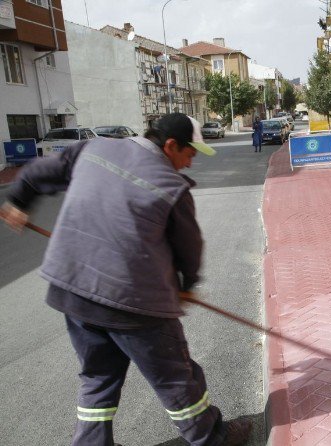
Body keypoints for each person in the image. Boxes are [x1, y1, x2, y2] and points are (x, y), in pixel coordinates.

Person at [1, 113, 252, 446]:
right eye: (189, 154)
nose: (190, 164)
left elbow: (38, 172)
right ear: (172, 145)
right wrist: (186, 285)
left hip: (72, 292)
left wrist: (19, 201)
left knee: (98, 376)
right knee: (177, 378)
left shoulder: (92, 149)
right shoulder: (171, 187)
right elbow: (189, 249)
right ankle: (212, 438)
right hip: (133, 304)